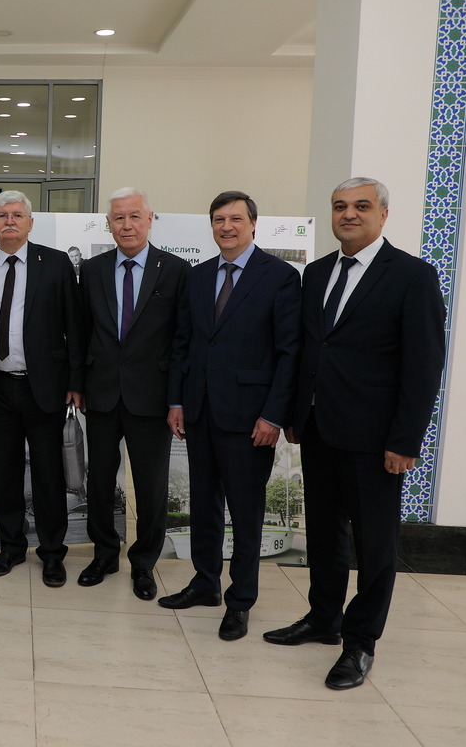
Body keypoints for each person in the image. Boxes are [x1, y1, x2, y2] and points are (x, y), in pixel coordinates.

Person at [263, 178, 445, 690]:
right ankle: (324, 618)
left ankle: (360, 642)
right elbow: (309, 352)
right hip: (320, 430)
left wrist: (405, 441)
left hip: (375, 438)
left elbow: (424, 367)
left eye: (361, 206)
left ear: (383, 214)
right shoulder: (318, 273)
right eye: (340, 207)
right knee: (323, 533)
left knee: (374, 544)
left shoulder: (412, 276)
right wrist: (298, 414)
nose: (349, 215)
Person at [163, 190, 300, 641]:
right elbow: (183, 342)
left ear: (254, 224)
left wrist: (273, 416)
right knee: (203, 507)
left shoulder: (279, 276)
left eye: (235, 219)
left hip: (249, 420)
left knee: (245, 513)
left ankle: (240, 601)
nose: (227, 227)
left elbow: (288, 353)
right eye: (219, 219)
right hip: (199, 413)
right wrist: (177, 401)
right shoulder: (198, 277)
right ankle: (205, 584)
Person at [0, 190, 83, 587]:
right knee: (4, 474)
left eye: (17, 215)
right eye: (2, 215)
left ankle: (51, 553)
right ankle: (11, 547)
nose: (9, 221)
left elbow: (75, 328)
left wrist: (76, 382)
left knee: (48, 475)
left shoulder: (57, 264)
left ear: (30, 223)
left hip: (44, 389)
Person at [78, 188, 190, 600]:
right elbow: (82, 331)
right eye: (118, 218)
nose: (126, 225)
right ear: (109, 224)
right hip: (101, 394)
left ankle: (144, 563)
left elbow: (184, 341)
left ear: (149, 219)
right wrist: (77, 383)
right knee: (100, 481)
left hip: (153, 398)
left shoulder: (176, 270)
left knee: (150, 485)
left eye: (133, 217)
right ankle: (105, 553)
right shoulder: (91, 270)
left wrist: (178, 399)